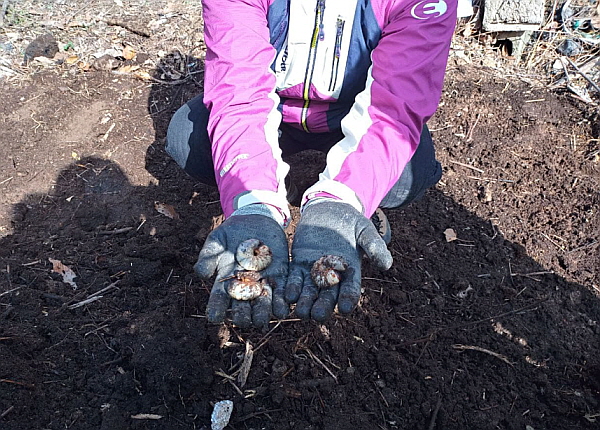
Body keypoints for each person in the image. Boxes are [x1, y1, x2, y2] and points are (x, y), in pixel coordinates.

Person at [166, 0, 457, 328]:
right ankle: (276, 188)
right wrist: (253, 204)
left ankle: (341, 196)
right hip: (275, 111)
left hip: (353, 114)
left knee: (406, 175)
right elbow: (240, 95)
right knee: (189, 140)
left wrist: (341, 202)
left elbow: (393, 110)